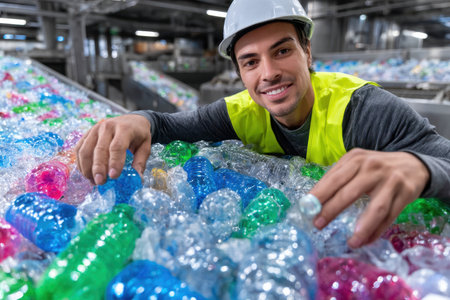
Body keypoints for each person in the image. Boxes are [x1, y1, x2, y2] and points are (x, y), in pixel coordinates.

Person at [76, 0, 450, 248]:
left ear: (307, 51)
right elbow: (166, 125)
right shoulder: (239, 112)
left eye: (282, 51)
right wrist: (136, 119)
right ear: (239, 72)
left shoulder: (364, 110)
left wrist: (421, 166)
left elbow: (444, 163)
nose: (269, 74)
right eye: (251, 61)